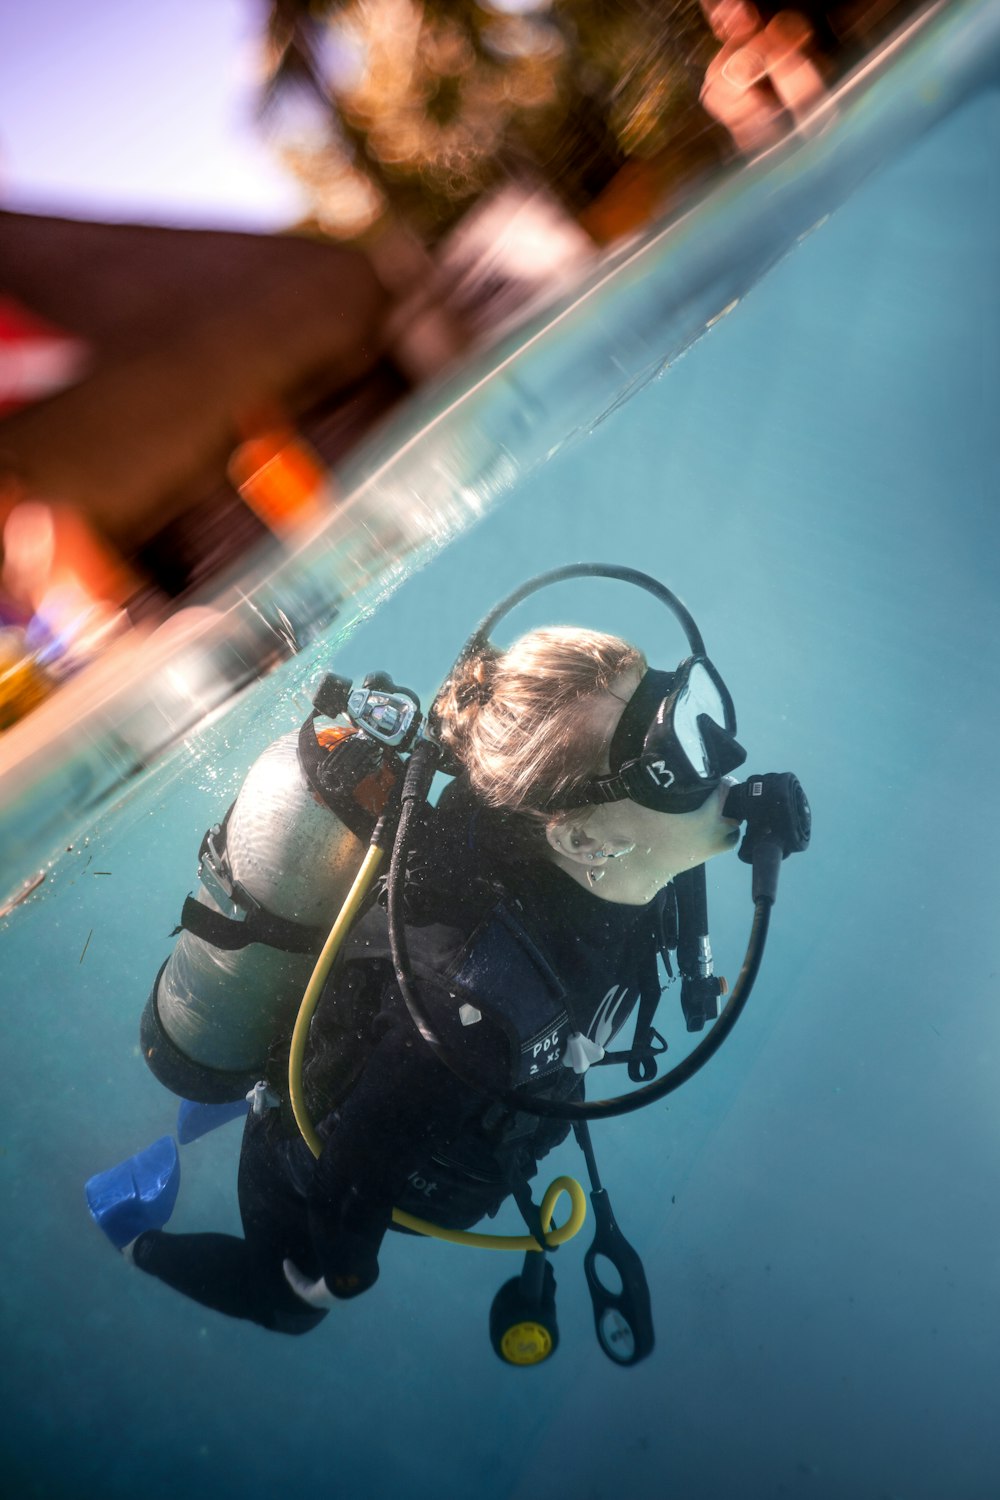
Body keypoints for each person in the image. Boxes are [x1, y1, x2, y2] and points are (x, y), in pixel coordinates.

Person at [124, 624, 745, 1334]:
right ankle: (135, 1239)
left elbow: (675, 831)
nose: (721, 755)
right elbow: (351, 1176)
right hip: (315, 1141)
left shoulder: (607, 856)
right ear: (582, 841)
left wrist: (752, 811)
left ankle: (260, 1058)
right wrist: (348, 1269)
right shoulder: (457, 1024)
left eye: (681, 706)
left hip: (400, 1063)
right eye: (670, 758)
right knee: (289, 1306)